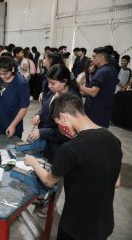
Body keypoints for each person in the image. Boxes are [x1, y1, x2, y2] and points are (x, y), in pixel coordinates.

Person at [24, 92, 122, 240]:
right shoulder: (113, 140)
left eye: (58, 124)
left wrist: (33, 162)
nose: (60, 128)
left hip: (76, 225)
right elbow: (117, 182)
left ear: (64, 117)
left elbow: (49, 181)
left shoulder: (70, 148)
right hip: (103, 223)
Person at [28, 64, 80, 162]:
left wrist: (42, 132)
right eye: (48, 82)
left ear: (64, 82)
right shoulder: (53, 91)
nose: (49, 86)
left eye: (52, 83)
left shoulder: (71, 100)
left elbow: (68, 132)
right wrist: (39, 114)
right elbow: (46, 107)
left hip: (59, 146)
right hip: (48, 142)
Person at [80, 47, 119, 128]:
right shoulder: (112, 69)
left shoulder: (102, 72)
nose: (91, 59)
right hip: (104, 110)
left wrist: (77, 85)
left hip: (96, 111)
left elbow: (93, 92)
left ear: (102, 57)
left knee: (93, 136)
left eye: (94, 56)